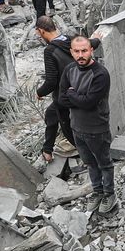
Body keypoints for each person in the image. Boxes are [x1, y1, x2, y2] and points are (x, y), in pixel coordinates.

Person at [58, 35, 115, 213]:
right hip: (77, 127)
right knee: (90, 163)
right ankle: (97, 191)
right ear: (72, 52)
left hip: (97, 128)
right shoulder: (69, 70)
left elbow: (89, 102)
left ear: (91, 50)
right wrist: (79, 98)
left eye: (84, 50)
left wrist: (73, 95)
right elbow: (61, 99)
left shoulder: (100, 74)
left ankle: (109, 194)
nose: (81, 55)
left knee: (104, 163)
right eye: (77, 51)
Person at [33, 17, 75, 165]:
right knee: (51, 114)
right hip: (78, 86)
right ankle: (47, 150)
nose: (39, 37)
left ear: (42, 31)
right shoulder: (70, 39)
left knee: (68, 128)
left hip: (65, 95)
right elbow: (90, 44)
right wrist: (96, 40)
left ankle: (87, 157)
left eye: (39, 34)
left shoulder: (50, 50)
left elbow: (51, 81)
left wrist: (39, 92)